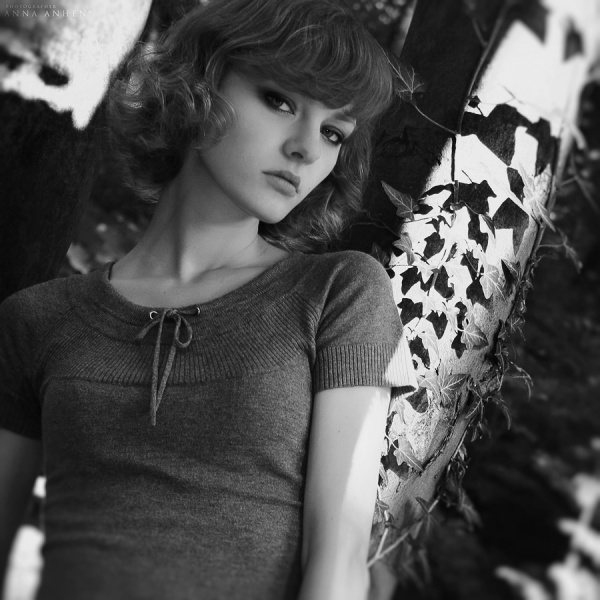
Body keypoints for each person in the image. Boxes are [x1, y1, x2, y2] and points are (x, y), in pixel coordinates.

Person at [0, 0, 417, 598]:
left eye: (333, 133)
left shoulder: (337, 293)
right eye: (280, 101)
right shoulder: (37, 320)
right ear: (198, 86)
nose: (306, 148)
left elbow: (339, 557)